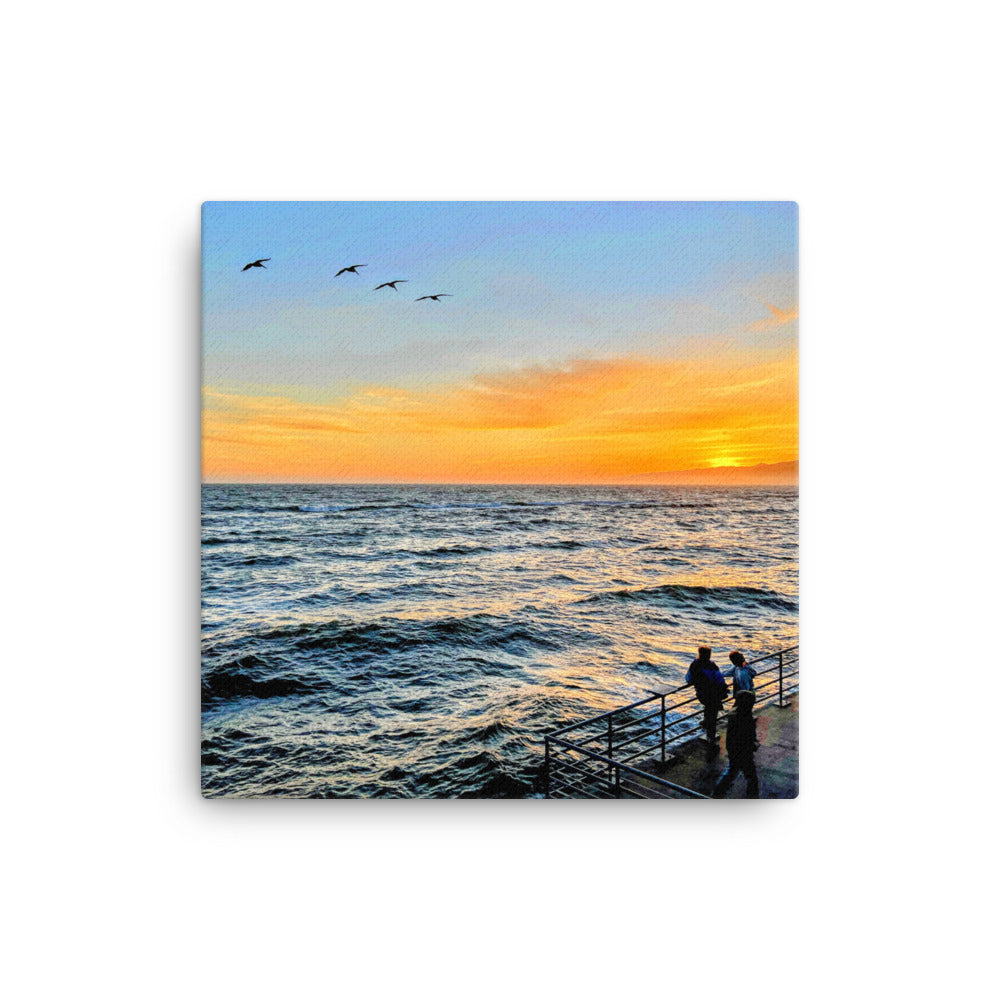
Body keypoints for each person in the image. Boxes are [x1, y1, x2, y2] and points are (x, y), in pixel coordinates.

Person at [713, 690, 760, 798]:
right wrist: (753, 746)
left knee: (731, 772)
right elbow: (746, 737)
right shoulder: (746, 719)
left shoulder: (734, 714)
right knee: (751, 777)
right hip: (743, 752)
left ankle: (718, 792)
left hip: (734, 750)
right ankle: (753, 796)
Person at [686, 646, 728, 742]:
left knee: (709, 711)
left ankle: (707, 729)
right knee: (712, 715)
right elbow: (720, 680)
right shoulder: (712, 666)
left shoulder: (694, 664)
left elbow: (688, 679)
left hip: (702, 694)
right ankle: (711, 736)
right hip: (714, 695)